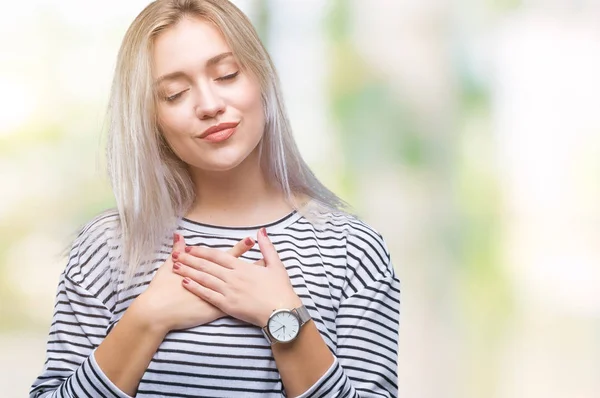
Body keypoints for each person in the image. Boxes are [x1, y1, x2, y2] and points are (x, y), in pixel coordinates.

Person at [30, 0, 400, 397]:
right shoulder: (107, 247)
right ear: (151, 117)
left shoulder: (351, 249)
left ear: (262, 76)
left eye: (226, 74)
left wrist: (285, 319)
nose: (209, 106)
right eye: (174, 94)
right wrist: (147, 317)